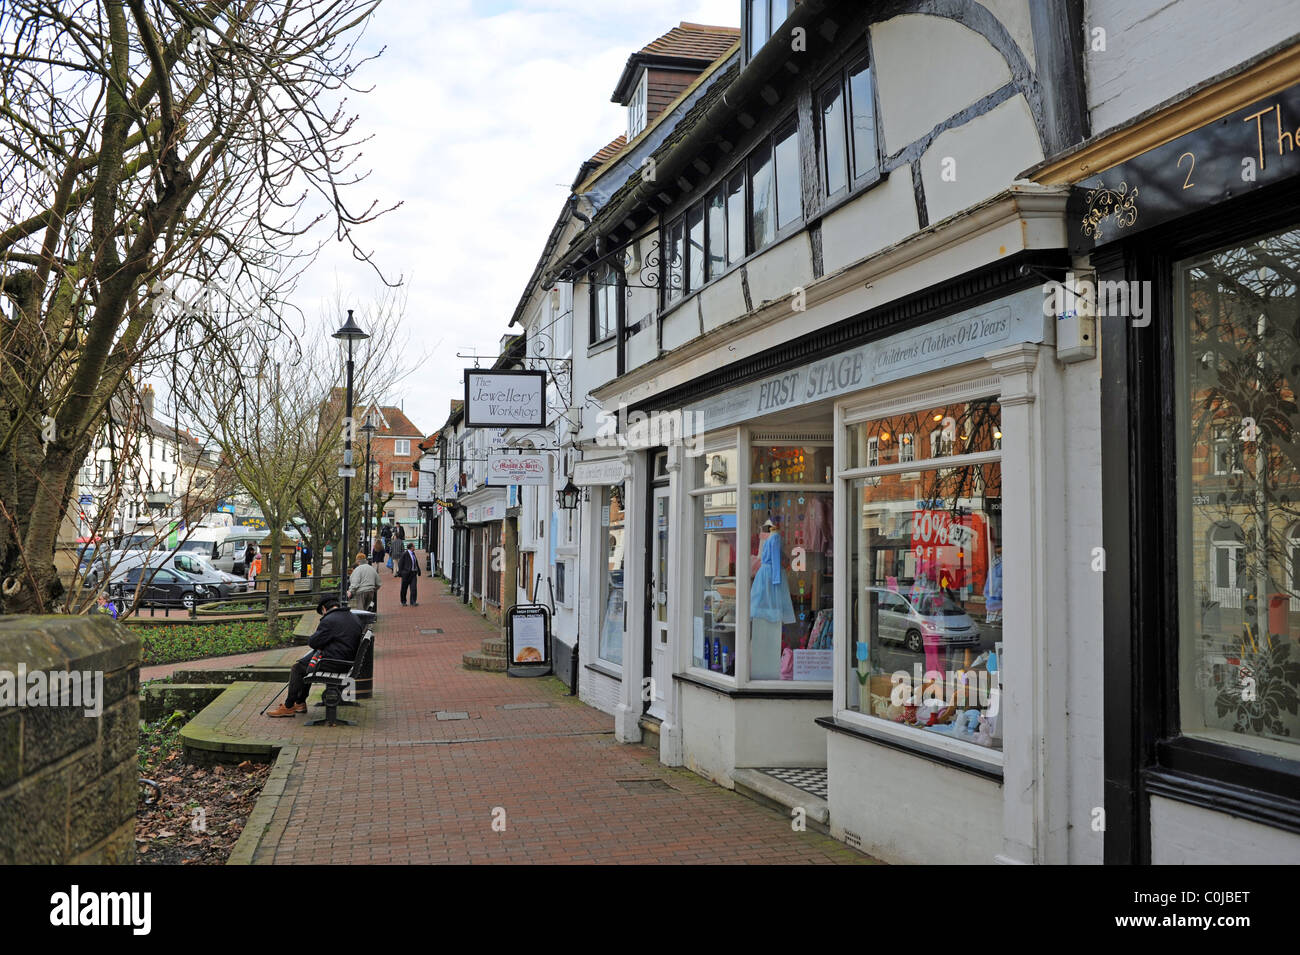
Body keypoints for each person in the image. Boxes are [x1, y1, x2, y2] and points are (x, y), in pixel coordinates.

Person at [266, 595, 363, 717]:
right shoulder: (352, 617)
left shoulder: (330, 620)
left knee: (297, 668)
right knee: (305, 665)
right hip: (347, 661)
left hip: (336, 663)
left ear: (323, 609)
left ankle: (289, 706)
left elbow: (313, 642)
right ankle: (300, 703)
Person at [397, 541, 420, 606]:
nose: (414, 547)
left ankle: (413, 601)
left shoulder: (413, 554)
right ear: (411, 547)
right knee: (404, 588)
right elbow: (400, 563)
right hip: (406, 574)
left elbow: (416, 562)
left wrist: (418, 570)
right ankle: (403, 601)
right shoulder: (405, 554)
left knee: (414, 588)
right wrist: (401, 572)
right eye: (414, 546)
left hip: (413, 573)